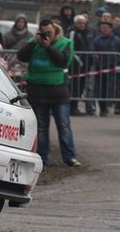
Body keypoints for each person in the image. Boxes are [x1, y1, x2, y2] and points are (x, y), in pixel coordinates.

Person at [16, 19, 81, 167]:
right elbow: (21, 56)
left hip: (58, 91)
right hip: (37, 91)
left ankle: (70, 157)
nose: (47, 35)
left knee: (63, 125)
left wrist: (48, 47)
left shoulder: (65, 43)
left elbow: (64, 61)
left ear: (55, 31)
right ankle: (42, 158)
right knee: (41, 127)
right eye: (44, 32)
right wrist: (34, 43)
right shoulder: (34, 42)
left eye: (49, 32)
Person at [91, 20, 120, 116]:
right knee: (101, 89)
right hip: (101, 68)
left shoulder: (117, 40)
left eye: (107, 27)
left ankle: (113, 106)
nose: (105, 29)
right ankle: (103, 108)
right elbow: (92, 50)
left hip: (113, 68)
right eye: (103, 27)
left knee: (113, 88)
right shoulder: (97, 40)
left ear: (111, 29)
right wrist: (95, 56)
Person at [67, 14, 95, 115]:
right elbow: (70, 48)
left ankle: (75, 106)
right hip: (76, 65)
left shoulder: (86, 33)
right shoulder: (73, 33)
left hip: (85, 65)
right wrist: (79, 61)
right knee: (73, 86)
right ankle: (71, 107)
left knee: (80, 87)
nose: (82, 25)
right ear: (75, 23)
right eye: (80, 23)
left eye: (84, 23)